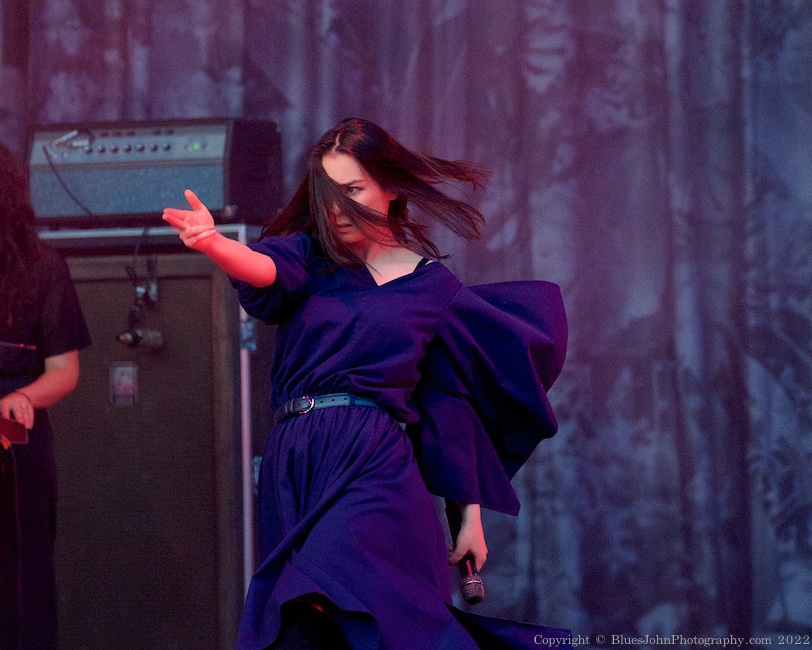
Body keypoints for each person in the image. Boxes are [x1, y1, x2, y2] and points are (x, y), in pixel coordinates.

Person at [163, 117, 568, 649]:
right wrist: (214, 244)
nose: (336, 208)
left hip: (375, 462)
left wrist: (468, 516)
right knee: (307, 625)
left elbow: (451, 406)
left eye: (352, 190)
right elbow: (262, 268)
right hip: (297, 462)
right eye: (327, 194)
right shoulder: (308, 256)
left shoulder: (432, 287)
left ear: (390, 187)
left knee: (328, 588)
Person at [0, 141, 92, 649]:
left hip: (12, 435)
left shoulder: (40, 266)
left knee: (20, 578)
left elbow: (64, 370)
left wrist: (27, 398)